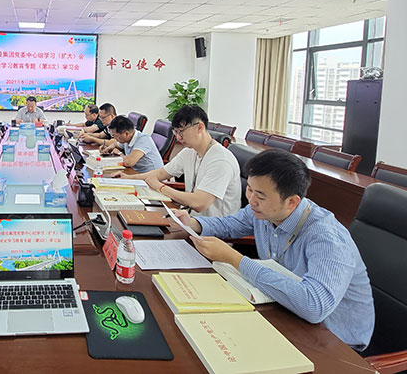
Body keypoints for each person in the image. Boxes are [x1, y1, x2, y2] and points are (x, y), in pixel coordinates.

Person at [170, 149, 374, 351]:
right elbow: (231, 224)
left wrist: (236, 260)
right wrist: (193, 223)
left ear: (292, 201)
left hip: (332, 339)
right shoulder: (265, 210)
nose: (251, 200)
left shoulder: (327, 238)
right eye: (249, 189)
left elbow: (314, 305)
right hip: (283, 309)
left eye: (260, 195)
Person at [116, 105, 240, 217]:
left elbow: (199, 203)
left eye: (181, 132)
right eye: (175, 132)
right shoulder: (189, 152)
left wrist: (161, 187)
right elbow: (161, 173)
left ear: (199, 127)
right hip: (190, 219)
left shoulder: (221, 161)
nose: (178, 137)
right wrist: (128, 178)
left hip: (215, 230)